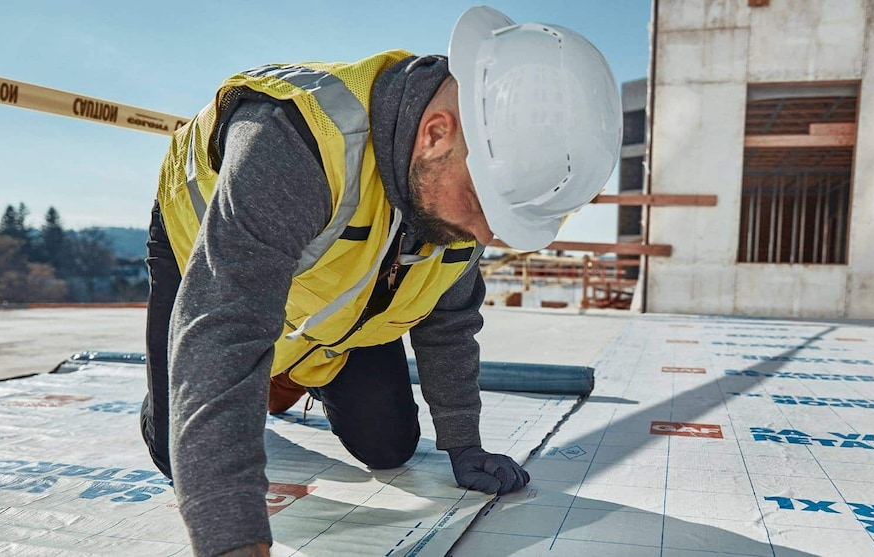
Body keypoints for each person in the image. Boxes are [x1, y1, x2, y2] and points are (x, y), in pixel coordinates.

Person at [139, 6, 620, 556]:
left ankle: (293, 370)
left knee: (391, 447)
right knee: (179, 452)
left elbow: (450, 321)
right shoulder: (295, 143)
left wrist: (465, 445)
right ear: (437, 133)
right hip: (203, 250)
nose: (489, 234)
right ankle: (230, 384)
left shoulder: (463, 179)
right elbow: (226, 328)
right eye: (486, 206)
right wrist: (234, 538)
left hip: (324, 293)